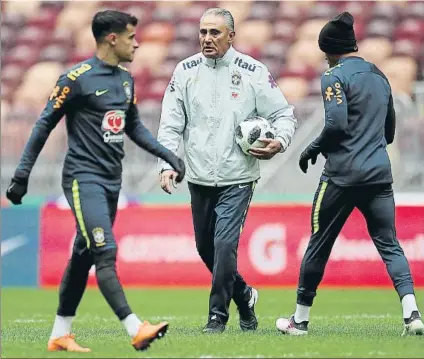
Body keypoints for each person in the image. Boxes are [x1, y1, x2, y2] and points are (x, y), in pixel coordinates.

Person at [5, 10, 185, 352]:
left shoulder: (126, 80)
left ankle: (60, 334)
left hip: (111, 181)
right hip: (82, 179)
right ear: (112, 39)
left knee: (84, 254)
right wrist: (22, 174)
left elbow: (133, 127)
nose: (137, 43)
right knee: (106, 250)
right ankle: (135, 327)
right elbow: (44, 124)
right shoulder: (76, 78)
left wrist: (168, 155)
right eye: (132, 37)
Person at [276, 12, 423, 336]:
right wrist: (368, 146)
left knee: (319, 244)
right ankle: (412, 314)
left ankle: (299, 320)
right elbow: (389, 131)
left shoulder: (334, 76)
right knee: (390, 245)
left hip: (341, 176)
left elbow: (336, 123)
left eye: (324, 50)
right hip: (378, 175)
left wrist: (311, 149)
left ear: (329, 49)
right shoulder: (379, 75)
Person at [157, 8, 298, 334]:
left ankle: (217, 317)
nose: (207, 38)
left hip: (238, 178)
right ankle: (244, 295)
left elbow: (284, 114)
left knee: (223, 247)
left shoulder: (253, 71)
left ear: (231, 35)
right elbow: (170, 124)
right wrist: (167, 163)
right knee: (206, 249)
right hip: (198, 177)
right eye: (203, 32)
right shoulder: (185, 71)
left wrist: (279, 141)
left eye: (215, 33)